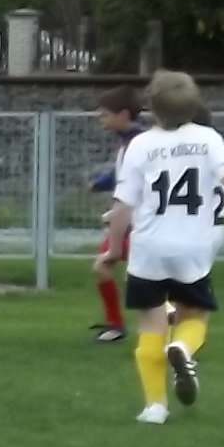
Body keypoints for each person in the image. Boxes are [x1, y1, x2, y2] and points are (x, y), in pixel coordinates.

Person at [97, 70, 224, 426]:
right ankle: (182, 348)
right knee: (194, 315)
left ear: (151, 107)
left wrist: (113, 249)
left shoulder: (140, 145)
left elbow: (123, 206)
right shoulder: (207, 138)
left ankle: (155, 407)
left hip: (149, 248)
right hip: (194, 249)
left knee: (150, 325)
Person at [89, 86, 147, 344]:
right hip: (127, 222)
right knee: (104, 266)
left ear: (123, 114)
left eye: (105, 114)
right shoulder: (130, 142)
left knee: (143, 279)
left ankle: (164, 329)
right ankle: (115, 325)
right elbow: (122, 174)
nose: (102, 120)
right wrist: (101, 183)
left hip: (142, 224)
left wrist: (118, 212)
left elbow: (135, 182)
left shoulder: (140, 143)